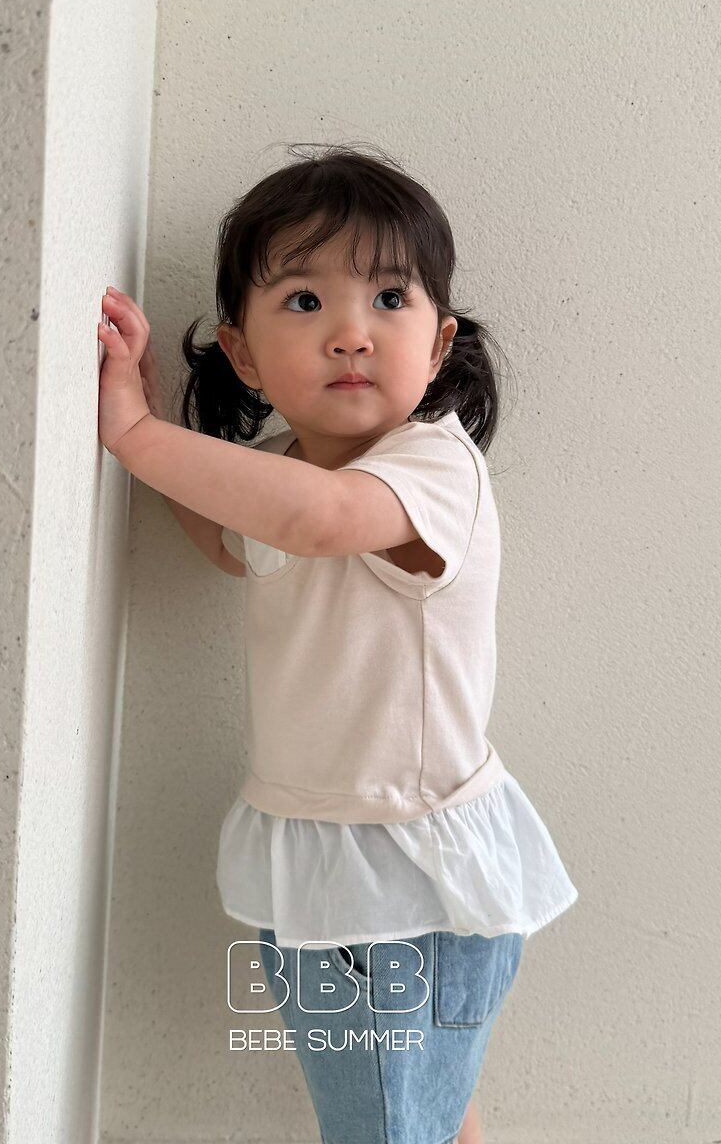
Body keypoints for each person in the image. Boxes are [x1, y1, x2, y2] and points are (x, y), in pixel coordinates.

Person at [97, 143, 578, 1144]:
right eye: (305, 301)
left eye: (389, 299)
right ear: (243, 354)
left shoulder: (431, 466)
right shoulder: (281, 468)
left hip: (404, 878)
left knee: (389, 1122)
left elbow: (316, 520)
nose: (351, 332)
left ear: (438, 344)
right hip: (339, 866)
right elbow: (233, 539)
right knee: (420, 1113)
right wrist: (148, 419)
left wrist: (138, 435)